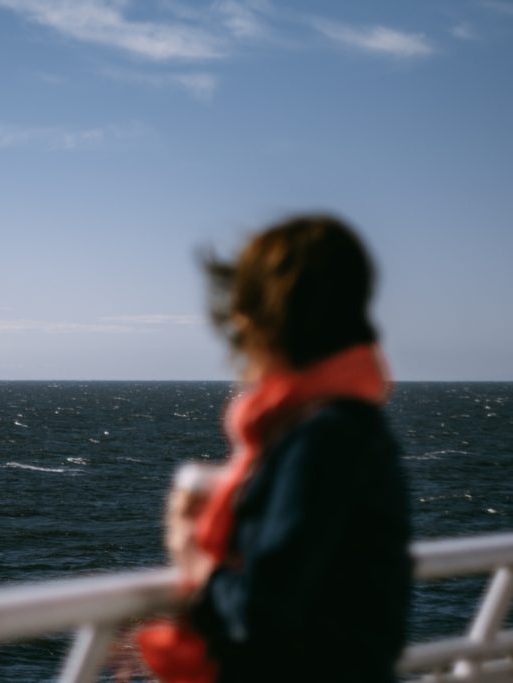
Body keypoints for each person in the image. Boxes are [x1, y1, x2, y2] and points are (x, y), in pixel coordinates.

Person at [134, 214, 412, 683]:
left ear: (268, 316)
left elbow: (263, 611)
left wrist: (194, 555)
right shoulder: (353, 427)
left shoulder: (323, 438)